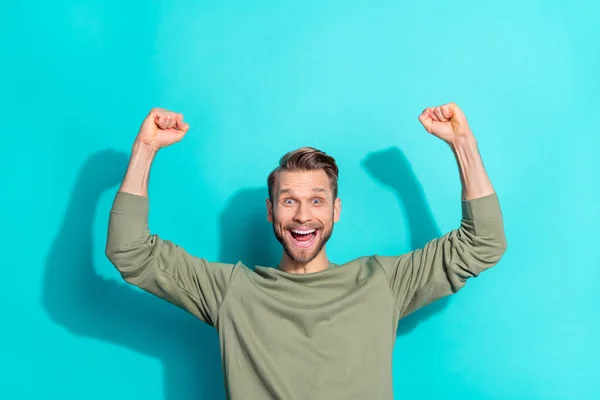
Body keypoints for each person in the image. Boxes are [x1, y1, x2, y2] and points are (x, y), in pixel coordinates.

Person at [105, 103, 507, 399]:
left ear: (335, 210)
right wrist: (145, 148)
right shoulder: (232, 290)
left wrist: (462, 143)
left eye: (316, 201)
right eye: (288, 200)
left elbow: (482, 243)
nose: (302, 216)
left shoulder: (380, 283)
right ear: (270, 210)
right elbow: (130, 251)